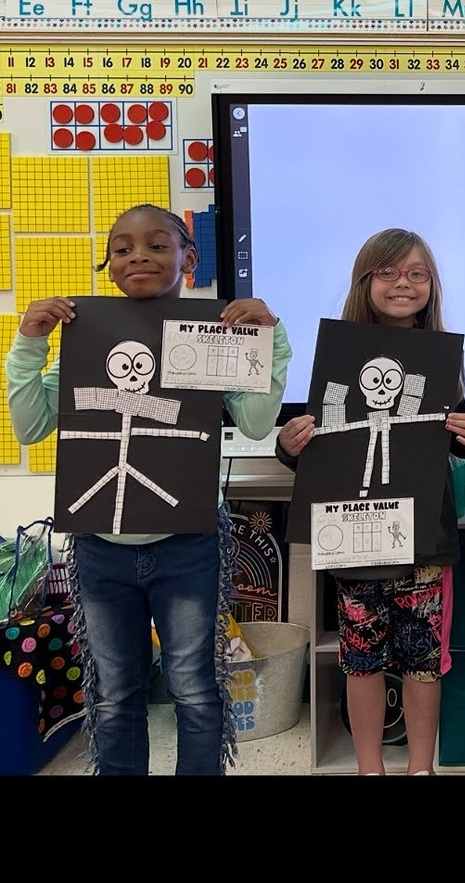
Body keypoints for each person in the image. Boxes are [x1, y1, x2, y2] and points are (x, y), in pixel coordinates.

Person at [4, 203, 292, 776]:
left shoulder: (208, 338)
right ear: (107, 266)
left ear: (190, 259)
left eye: (158, 244)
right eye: (122, 248)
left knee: (194, 687)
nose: (139, 255)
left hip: (188, 544)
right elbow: (32, 425)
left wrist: (271, 340)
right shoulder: (86, 342)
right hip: (99, 546)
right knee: (113, 694)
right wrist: (30, 344)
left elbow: (258, 422)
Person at [275, 227, 465, 776]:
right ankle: (370, 767)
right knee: (360, 658)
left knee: (423, 663)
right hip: (356, 535)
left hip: (422, 538)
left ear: (432, 285)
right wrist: (289, 444)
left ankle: (421, 768)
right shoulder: (338, 363)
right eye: (388, 272)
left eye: (418, 273)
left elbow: (456, 440)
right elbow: (318, 449)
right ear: (365, 281)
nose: (403, 284)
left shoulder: (441, 363)